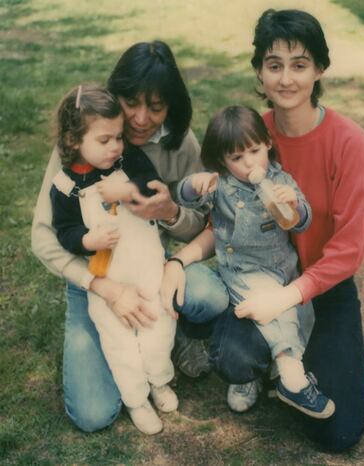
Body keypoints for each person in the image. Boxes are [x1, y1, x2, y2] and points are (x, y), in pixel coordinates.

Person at [31, 41, 229, 432]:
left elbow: (204, 223)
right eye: (131, 103)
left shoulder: (181, 144)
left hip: (153, 267)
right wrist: (102, 286)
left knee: (210, 296)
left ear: (172, 105)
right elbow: (43, 237)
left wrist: (169, 213)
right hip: (96, 276)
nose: (140, 119)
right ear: (114, 95)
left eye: (155, 107)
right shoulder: (80, 140)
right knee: (93, 413)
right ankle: (130, 361)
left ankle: (182, 335)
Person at [207, 9, 364, 452]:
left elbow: (348, 249)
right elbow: (222, 218)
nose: (285, 79)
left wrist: (289, 295)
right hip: (258, 274)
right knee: (234, 359)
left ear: (319, 69)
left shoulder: (348, 141)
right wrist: (179, 259)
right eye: (274, 64)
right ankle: (269, 358)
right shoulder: (250, 135)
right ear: (259, 71)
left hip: (321, 284)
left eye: (299, 65)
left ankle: (288, 364)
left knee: (336, 434)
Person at [164, 105, 335, 419]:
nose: (248, 164)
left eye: (254, 151)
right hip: (241, 274)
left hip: (280, 272)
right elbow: (185, 198)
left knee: (294, 315)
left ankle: (273, 370)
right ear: (224, 161)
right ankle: (291, 376)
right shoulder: (222, 186)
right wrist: (194, 184)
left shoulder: (281, 180)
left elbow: (301, 223)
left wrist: (295, 204)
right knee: (273, 311)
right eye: (236, 158)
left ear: (267, 143)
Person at [50, 84, 180, 435]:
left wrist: (129, 191)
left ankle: (159, 379)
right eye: (105, 140)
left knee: (158, 327)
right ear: (75, 140)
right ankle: (136, 398)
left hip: (147, 267)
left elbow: (152, 183)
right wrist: (85, 239)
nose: (116, 147)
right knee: (118, 341)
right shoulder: (64, 186)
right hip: (107, 279)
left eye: (118, 138)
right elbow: (63, 232)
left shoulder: (127, 160)